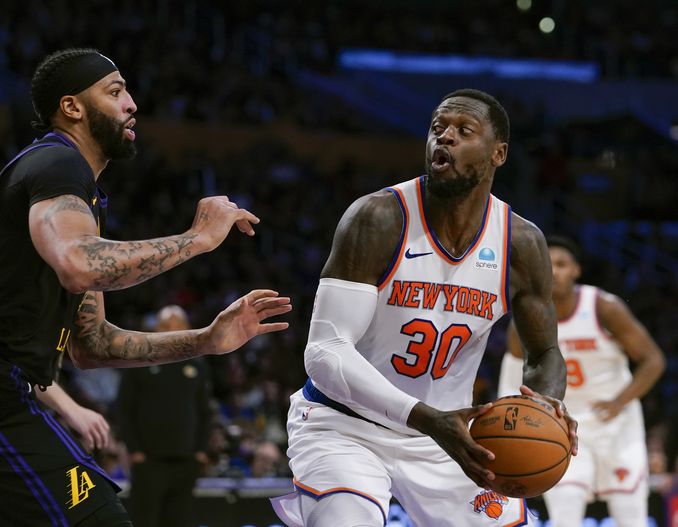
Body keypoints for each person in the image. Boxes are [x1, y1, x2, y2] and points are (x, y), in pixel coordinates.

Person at [0, 48, 291, 527]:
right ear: (72, 107)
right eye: (115, 91)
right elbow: (79, 265)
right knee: (98, 519)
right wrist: (197, 240)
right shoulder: (58, 164)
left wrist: (205, 340)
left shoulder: (80, 197)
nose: (132, 104)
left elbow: (94, 345)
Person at [271, 88, 578, 527]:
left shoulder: (519, 242)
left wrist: (547, 406)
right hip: (344, 424)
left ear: (498, 154)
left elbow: (545, 353)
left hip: (447, 436)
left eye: (463, 130)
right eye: (438, 128)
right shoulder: (377, 218)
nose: (445, 137)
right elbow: (324, 352)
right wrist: (425, 418)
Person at [498, 235, 665, 527]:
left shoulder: (604, 306)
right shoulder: (526, 318)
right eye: (548, 265)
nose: (555, 271)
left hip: (615, 421)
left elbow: (653, 360)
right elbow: (512, 373)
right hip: (563, 424)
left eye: (562, 264)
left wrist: (619, 402)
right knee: (565, 515)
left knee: (631, 515)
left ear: (576, 269)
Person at [116, 305, 212, 527]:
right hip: (149, 460)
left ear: (188, 329)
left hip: (186, 460)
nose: (173, 331)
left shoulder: (197, 366)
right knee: (144, 520)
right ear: (156, 329)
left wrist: (200, 451)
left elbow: (205, 411)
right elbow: (124, 409)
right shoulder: (139, 362)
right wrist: (135, 450)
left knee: (179, 520)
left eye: (178, 326)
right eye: (167, 326)